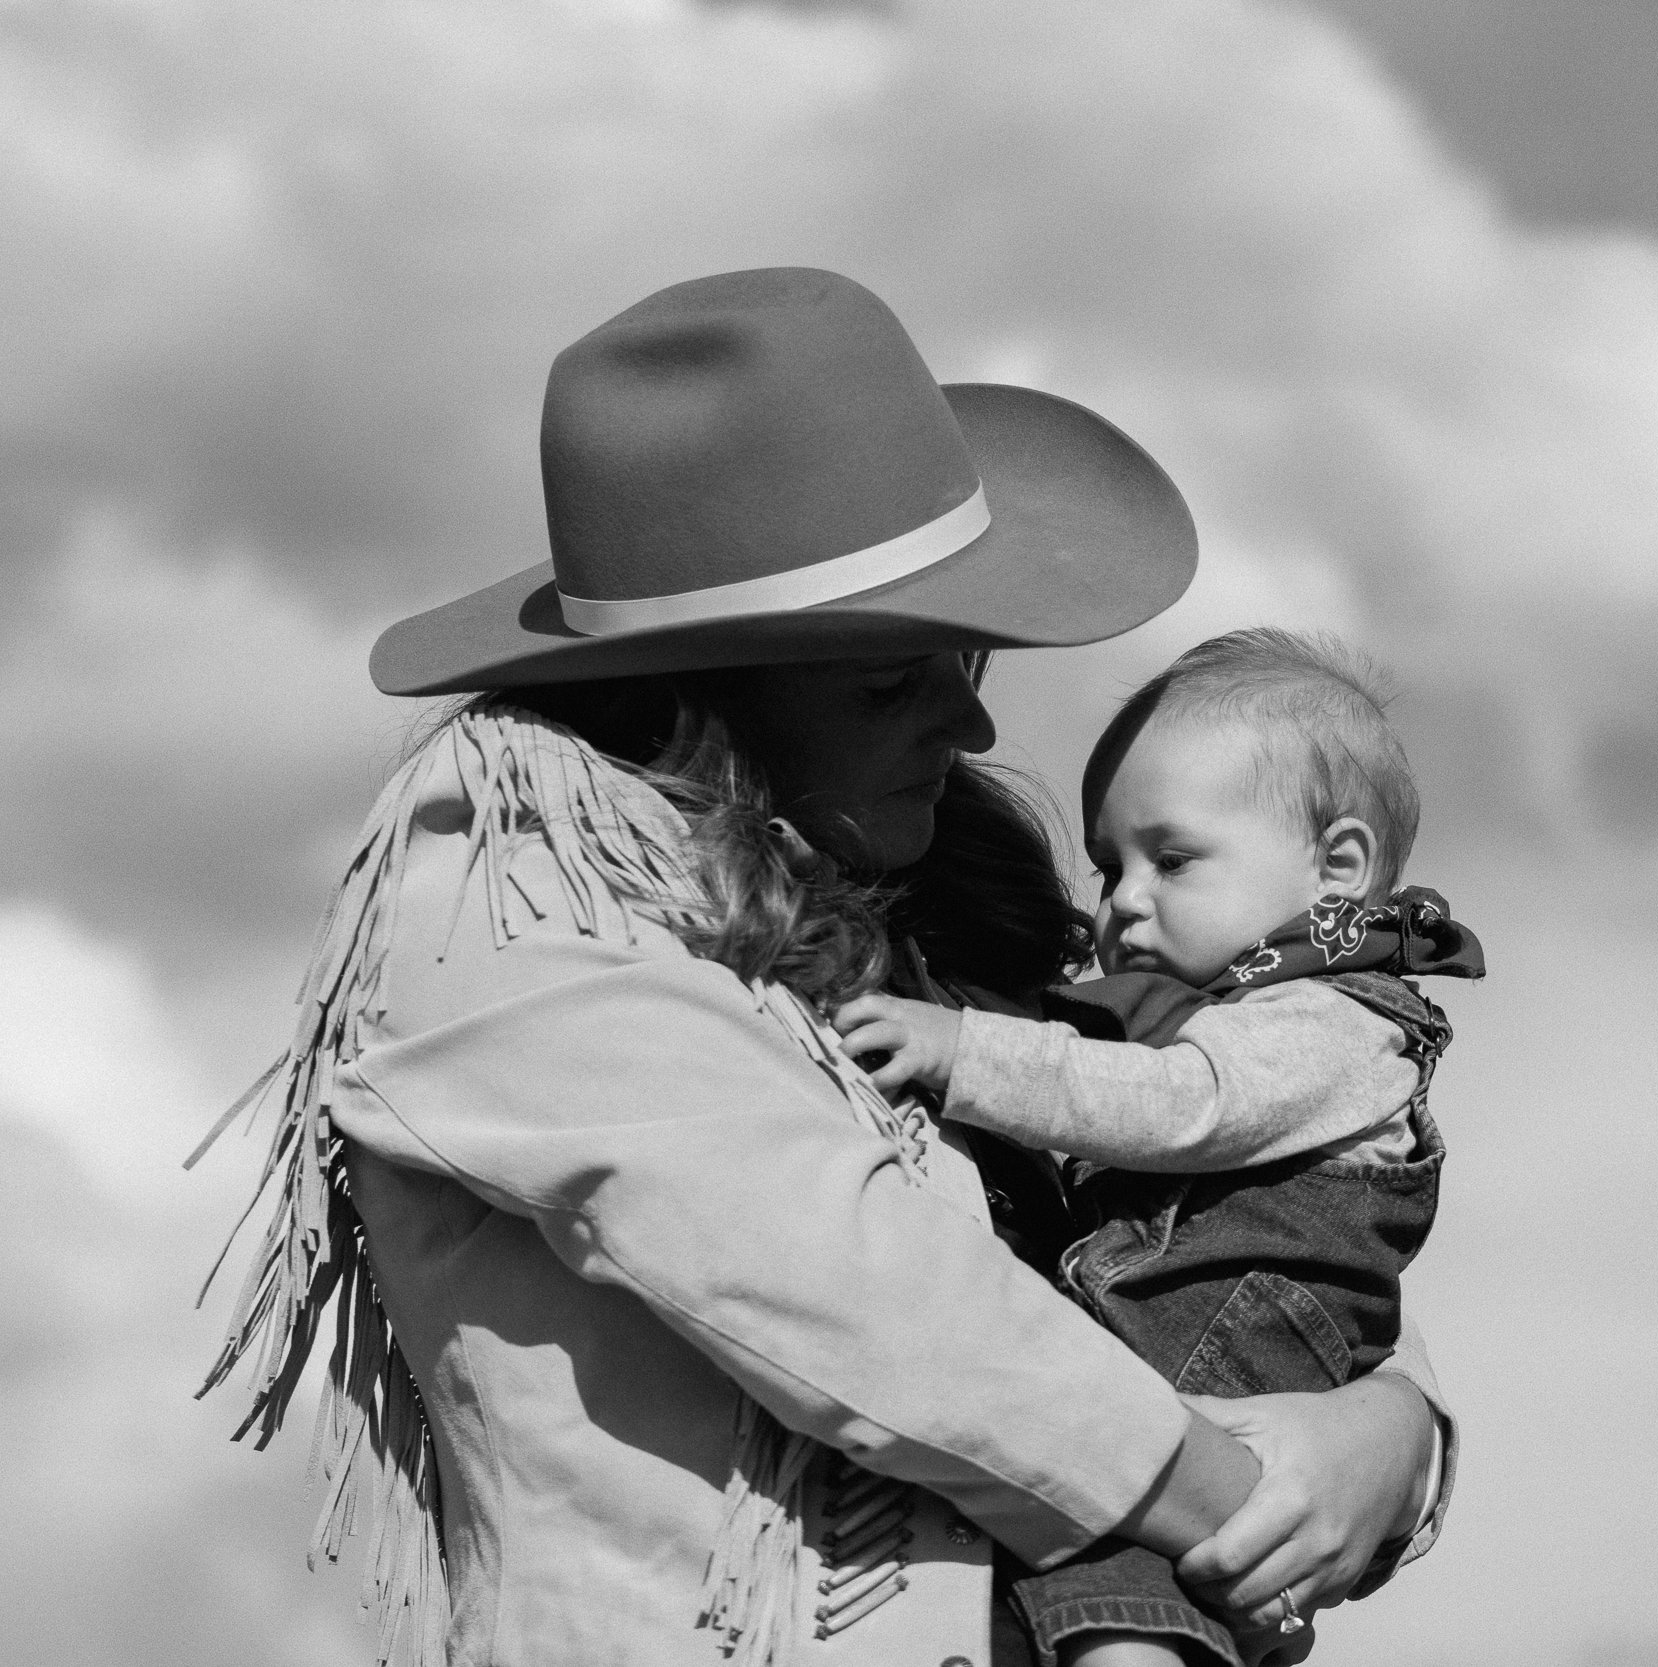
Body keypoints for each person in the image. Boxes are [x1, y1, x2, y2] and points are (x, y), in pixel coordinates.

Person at [192, 268, 1452, 1667]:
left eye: (960, 655)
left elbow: (1212, 1221)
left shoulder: (935, 913)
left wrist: (1388, 1429)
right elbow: (865, 1293)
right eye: (889, 680)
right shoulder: (500, 889)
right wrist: (1249, 1503)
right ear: (710, 691)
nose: (974, 721)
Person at [829, 627, 1484, 1667]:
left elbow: (1179, 1102)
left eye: (1169, 859)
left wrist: (1399, 1433)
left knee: (1108, 1494)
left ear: (1339, 868)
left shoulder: (1322, 1018)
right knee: (1127, 1512)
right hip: (1191, 1312)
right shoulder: (1232, 1005)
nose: (1122, 901)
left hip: (1222, 1313)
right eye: (1106, 867)